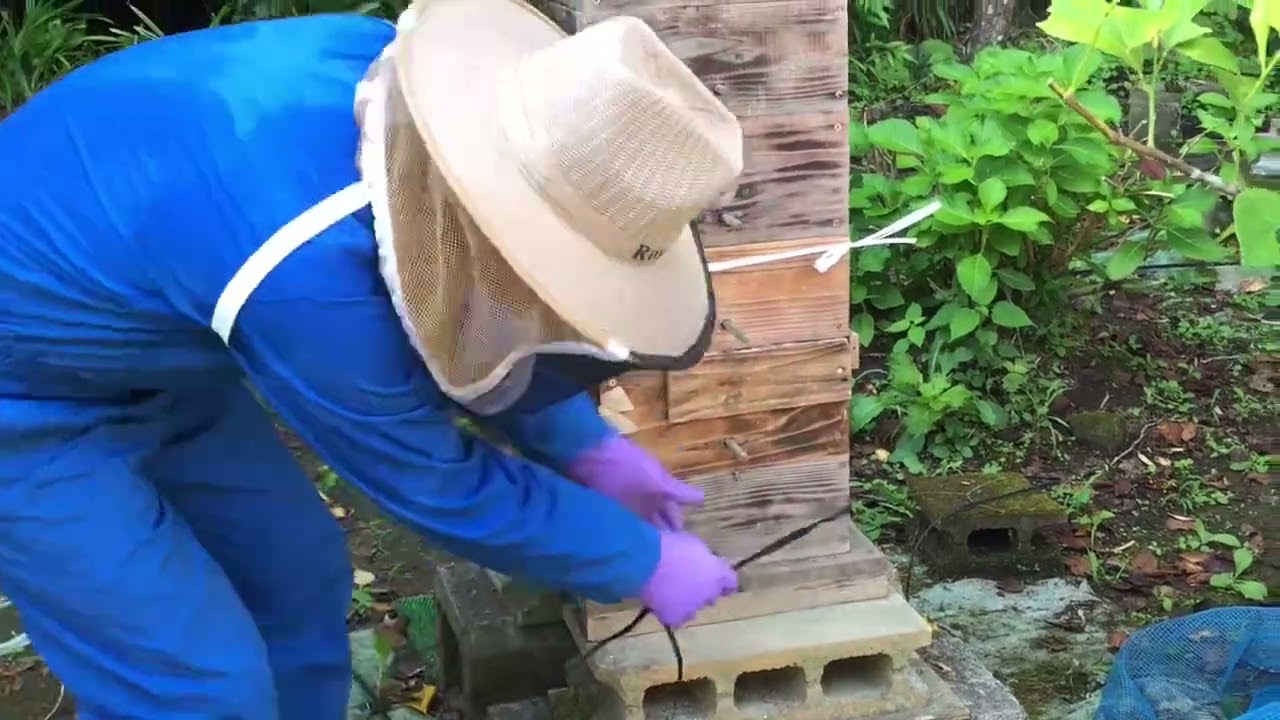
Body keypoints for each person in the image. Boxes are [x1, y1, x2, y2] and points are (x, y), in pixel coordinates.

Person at [0, 0, 747, 716]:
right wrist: (637, 561)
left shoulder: (397, 90)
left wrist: (587, 449)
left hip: (147, 349)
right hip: (24, 414)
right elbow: (437, 487)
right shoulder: (305, 274)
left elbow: (484, 306)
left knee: (297, 582)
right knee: (194, 690)